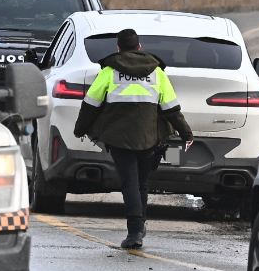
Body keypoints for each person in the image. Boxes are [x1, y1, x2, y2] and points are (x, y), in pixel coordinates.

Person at [74, 28, 192, 249]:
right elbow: (171, 109)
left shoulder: (109, 71)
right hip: (149, 137)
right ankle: (140, 225)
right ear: (139, 47)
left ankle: (135, 231)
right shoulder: (157, 73)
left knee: (129, 183)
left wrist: (80, 129)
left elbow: (91, 104)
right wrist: (186, 133)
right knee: (142, 182)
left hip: (118, 137)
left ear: (118, 48)